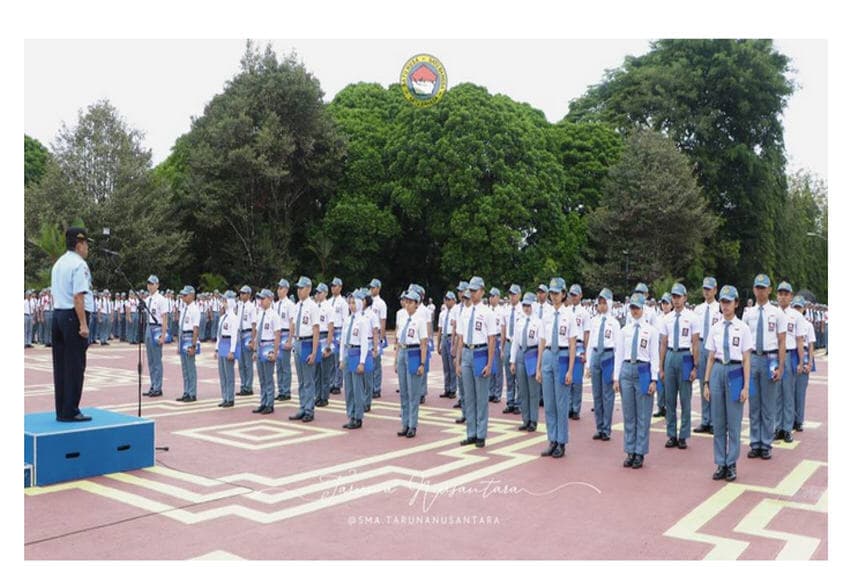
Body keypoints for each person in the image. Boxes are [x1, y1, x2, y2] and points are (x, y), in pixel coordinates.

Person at [702, 285, 752, 482]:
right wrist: (706, 382)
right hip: (717, 372)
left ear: (736, 304)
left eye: (728, 302)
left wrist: (746, 386)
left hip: (735, 372)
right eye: (722, 302)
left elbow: (747, 358)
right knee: (719, 421)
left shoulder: (743, 328)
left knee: (734, 422)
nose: (725, 306)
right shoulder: (715, 328)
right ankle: (720, 462)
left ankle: (731, 463)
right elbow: (711, 357)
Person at [50, 228, 95, 422]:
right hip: (72, 316)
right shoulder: (79, 264)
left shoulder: (59, 263)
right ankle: (72, 410)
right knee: (75, 365)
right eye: (86, 244)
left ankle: (62, 409)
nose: (87, 248)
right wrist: (83, 324)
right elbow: (78, 296)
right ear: (79, 244)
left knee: (60, 365)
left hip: (58, 314)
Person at [742, 274, 786, 460]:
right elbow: (744, 341)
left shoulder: (777, 313)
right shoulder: (748, 313)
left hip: (770, 358)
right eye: (757, 287)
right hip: (752, 359)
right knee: (754, 404)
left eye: (764, 288)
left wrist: (781, 367)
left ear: (769, 290)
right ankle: (755, 443)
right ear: (754, 289)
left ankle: (766, 443)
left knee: (768, 404)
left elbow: (782, 341)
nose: (760, 291)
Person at [616, 293, 660, 469]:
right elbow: (619, 355)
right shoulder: (624, 330)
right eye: (632, 308)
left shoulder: (651, 331)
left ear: (643, 309)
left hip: (643, 369)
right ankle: (630, 450)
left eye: (637, 308)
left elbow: (655, 356)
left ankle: (640, 452)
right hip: (627, 369)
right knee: (628, 414)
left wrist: (654, 379)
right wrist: (615, 378)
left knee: (643, 414)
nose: (634, 311)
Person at [536, 277, 578, 459]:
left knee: (561, 403)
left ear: (563, 294)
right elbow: (542, 342)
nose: (553, 296)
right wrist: (538, 367)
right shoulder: (545, 315)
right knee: (549, 403)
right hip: (547, 356)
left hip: (562, 356)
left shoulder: (569, 315)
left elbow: (572, 344)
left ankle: (561, 441)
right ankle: (552, 439)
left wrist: (570, 369)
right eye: (551, 293)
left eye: (556, 293)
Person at [455, 276, 499, 448]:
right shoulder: (464, 312)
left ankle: (481, 433)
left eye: (475, 291)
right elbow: (460, 338)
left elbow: (492, 339)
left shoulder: (487, 312)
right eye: (470, 291)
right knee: (468, 396)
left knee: (481, 397)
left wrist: (489, 363)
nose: (472, 294)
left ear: (482, 291)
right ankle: (471, 432)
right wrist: (457, 361)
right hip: (467, 351)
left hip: (481, 352)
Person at [659, 283, 700, 450]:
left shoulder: (692, 317)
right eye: (673, 297)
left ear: (685, 298)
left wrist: (695, 367)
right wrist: (661, 367)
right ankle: (671, 434)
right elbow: (663, 343)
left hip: (684, 356)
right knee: (669, 398)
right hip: (670, 355)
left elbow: (695, 343)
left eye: (678, 297)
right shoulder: (666, 318)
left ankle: (683, 435)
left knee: (685, 398)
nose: (675, 300)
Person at [586, 288, 620, 441]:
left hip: (608, 355)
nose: (601, 306)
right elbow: (590, 344)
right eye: (599, 303)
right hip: (595, 354)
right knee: (597, 394)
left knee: (607, 394)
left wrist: (616, 371)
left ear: (610, 303)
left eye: (604, 302)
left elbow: (618, 347)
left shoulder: (614, 323)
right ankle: (599, 427)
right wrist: (588, 364)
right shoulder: (594, 321)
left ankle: (606, 428)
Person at [775, 281, 807, 443]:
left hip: (789, 354)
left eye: (786, 294)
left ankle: (787, 428)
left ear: (791, 296)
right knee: (776, 393)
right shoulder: (772, 313)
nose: (782, 296)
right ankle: (777, 426)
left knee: (788, 393)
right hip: (773, 356)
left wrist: (802, 361)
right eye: (780, 293)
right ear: (776, 295)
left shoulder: (796, 316)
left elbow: (800, 340)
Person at [395, 290, 429, 438]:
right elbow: (398, 340)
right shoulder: (402, 318)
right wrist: (396, 360)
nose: (407, 305)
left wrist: (422, 363)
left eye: (410, 302)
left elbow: (424, 344)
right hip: (402, 352)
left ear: (416, 304)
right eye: (406, 302)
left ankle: (413, 425)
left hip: (414, 352)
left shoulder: (420, 320)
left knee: (413, 391)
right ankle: (405, 423)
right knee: (403, 391)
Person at [289, 276, 320, 422]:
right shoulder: (297, 306)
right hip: (298, 342)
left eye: (301, 288)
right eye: (298, 288)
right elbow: (294, 326)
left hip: (307, 343)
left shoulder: (313, 306)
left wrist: (314, 352)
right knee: (301, 379)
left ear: (308, 289)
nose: (299, 291)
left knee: (308, 379)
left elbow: (316, 330)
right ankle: (302, 407)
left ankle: (309, 409)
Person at [693, 277, 722, 435]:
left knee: (713, 383)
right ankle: (705, 419)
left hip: (715, 348)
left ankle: (714, 420)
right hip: (701, 344)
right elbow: (695, 334)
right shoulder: (698, 309)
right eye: (704, 289)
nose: (706, 292)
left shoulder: (720, 308)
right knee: (703, 382)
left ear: (715, 290)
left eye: (709, 289)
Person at [510, 292, 542, 432]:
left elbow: (541, 343)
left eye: (529, 305)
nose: (526, 308)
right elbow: (515, 343)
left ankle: (533, 420)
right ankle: (525, 419)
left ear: (533, 306)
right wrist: (512, 361)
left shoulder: (538, 322)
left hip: (533, 354)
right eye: (524, 305)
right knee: (522, 389)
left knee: (533, 390)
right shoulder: (520, 321)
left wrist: (539, 364)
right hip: (521, 355)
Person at [340, 292, 371, 429]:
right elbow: (342, 341)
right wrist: (341, 358)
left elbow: (364, 342)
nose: (351, 305)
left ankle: (358, 417)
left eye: (354, 303)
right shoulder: (347, 320)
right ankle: (350, 414)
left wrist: (362, 362)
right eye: (350, 303)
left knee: (357, 387)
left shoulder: (363, 320)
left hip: (357, 353)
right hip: (348, 352)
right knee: (349, 388)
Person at [252, 289, 282, 414]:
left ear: (270, 299)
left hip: (269, 345)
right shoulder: (260, 314)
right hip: (260, 346)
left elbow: (277, 335)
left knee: (268, 377)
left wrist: (275, 352)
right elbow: (257, 333)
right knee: (262, 377)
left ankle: (270, 403)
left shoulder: (274, 315)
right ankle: (263, 402)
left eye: (263, 299)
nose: (261, 301)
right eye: (260, 299)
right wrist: (255, 350)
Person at [142, 276, 169, 397]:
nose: (149, 286)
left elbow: (164, 318)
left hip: (157, 328)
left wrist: (163, 335)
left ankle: (158, 387)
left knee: (157, 360)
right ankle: (153, 385)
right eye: (148, 284)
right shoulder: (147, 299)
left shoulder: (161, 299)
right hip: (149, 327)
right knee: (151, 360)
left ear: (157, 285)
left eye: (152, 284)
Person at [567, 284, 590, 420]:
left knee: (577, 380)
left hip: (579, 345)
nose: (573, 297)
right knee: (567, 379)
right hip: (568, 346)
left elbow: (586, 333)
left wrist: (585, 351)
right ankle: (568, 406)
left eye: (576, 295)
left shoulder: (585, 313)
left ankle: (576, 408)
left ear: (580, 296)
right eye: (572, 295)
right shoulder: (567, 311)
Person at [214, 290, 239, 408]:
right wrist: (216, 349)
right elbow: (219, 334)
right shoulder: (223, 317)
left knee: (229, 374)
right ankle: (224, 397)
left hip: (229, 344)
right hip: (222, 343)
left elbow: (234, 335)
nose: (223, 303)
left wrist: (232, 351)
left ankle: (230, 398)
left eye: (225, 300)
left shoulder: (233, 317)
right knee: (222, 373)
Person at [794, 296, 816, 432]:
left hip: (805, 355)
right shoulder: (788, 323)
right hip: (792, 355)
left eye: (799, 307)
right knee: (789, 391)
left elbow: (811, 345)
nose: (797, 310)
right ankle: (790, 419)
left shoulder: (808, 325)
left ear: (803, 309)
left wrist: (810, 363)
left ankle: (799, 420)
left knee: (800, 391)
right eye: (795, 307)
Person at [501, 284, 523, 415]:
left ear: (519, 295)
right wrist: (502, 348)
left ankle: (518, 402)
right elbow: (503, 329)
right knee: (509, 376)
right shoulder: (506, 309)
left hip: (519, 344)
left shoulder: (523, 309)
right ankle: (510, 401)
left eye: (514, 294)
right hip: (509, 343)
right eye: (510, 294)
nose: (511, 297)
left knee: (519, 376)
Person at [314, 283, 336, 407]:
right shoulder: (315, 306)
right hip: (317, 338)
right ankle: (317, 395)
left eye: (320, 292)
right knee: (317, 371)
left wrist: (328, 345)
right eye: (317, 292)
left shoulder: (329, 307)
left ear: (325, 293)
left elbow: (331, 328)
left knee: (325, 370)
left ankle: (324, 396)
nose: (317, 294)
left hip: (325, 337)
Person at [274, 279, 294, 401]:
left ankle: (286, 391)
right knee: (278, 365)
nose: (278, 290)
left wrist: (290, 340)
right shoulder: (275, 305)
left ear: (286, 290)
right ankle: (281, 389)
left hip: (286, 334)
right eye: (278, 288)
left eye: (281, 288)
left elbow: (292, 322)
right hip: (277, 335)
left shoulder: (289, 305)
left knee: (285, 365)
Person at [235, 285, 257, 396]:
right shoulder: (239, 306)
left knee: (248, 363)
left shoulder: (251, 307)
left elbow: (254, 325)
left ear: (249, 295)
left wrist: (253, 340)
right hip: (240, 333)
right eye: (241, 293)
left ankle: (248, 386)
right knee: (241, 362)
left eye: (244, 293)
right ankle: (243, 385)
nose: (241, 295)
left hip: (248, 333)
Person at [436, 291, 458, 399]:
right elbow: (440, 330)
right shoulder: (443, 313)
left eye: (449, 299)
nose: (447, 302)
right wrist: (438, 344)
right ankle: (447, 388)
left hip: (451, 338)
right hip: (445, 337)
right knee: (445, 366)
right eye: (446, 299)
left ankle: (453, 389)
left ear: (454, 300)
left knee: (451, 365)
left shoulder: (456, 311)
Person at [368, 279, 388, 399]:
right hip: (368, 335)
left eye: (373, 287)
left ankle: (376, 388)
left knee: (376, 363)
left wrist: (381, 338)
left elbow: (383, 321)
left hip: (376, 334)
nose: (371, 289)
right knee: (369, 362)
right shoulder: (368, 301)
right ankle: (370, 387)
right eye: (370, 287)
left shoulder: (381, 303)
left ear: (378, 288)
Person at [487, 287, 505, 404]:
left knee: (498, 368)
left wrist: (502, 346)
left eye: (493, 296)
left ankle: (498, 393)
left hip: (497, 338)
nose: (490, 298)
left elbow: (503, 329)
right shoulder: (487, 310)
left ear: (498, 297)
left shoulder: (502, 311)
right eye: (490, 296)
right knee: (490, 366)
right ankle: (490, 392)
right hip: (488, 340)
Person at [328, 277, 346, 395]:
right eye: (332, 286)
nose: (333, 288)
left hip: (339, 330)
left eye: (335, 286)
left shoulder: (343, 302)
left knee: (337, 359)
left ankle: (337, 383)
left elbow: (345, 320)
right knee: (330, 358)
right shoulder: (329, 302)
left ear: (340, 287)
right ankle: (330, 382)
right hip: (331, 331)